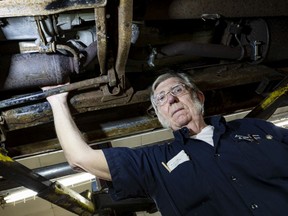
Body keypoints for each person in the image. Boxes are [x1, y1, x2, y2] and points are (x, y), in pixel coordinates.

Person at [44, 72, 288, 216]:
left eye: (178, 90)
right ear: (160, 115)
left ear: (198, 97)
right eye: (161, 98)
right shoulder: (154, 162)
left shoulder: (255, 129)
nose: (170, 99)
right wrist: (57, 100)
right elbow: (80, 157)